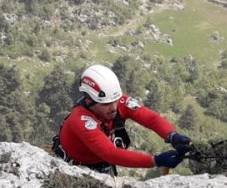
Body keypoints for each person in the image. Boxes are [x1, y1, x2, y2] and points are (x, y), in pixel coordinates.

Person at [53, 64, 192, 174]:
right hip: (75, 168)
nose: (114, 107)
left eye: (115, 100)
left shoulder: (119, 102)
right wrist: (155, 161)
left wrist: (172, 135)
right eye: (107, 103)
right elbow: (110, 153)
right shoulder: (80, 120)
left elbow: (151, 119)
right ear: (89, 101)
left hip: (101, 164)